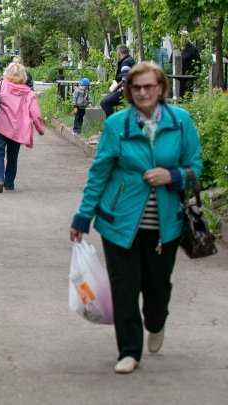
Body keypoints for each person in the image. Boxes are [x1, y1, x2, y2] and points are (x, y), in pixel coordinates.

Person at [69, 62, 204, 374]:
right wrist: (82, 217)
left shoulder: (180, 121)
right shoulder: (117, 125)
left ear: (161, 88)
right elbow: (99, 173)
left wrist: (171, 175)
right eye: (136, 87)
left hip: (164, 227)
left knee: (157, 290)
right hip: (118, 223)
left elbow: (195, 167)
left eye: (149, 86)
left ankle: (156, 323)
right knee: (124, 288)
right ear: (129, 91)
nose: (143, 92)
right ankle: (129, 351)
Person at [0, 62, 45, 192]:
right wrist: (40, 129)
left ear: (7, 72)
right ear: (23, 76)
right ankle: (9, 183)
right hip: (17, 129)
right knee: (13, 157)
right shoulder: (27, 92)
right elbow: (35, 113)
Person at [100, 45, 135, 118]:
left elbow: (126, 80)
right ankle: (113, 121)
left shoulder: (125, 63)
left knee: (106, 102)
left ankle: (112, 125)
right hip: (128, 89)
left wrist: (121, 89)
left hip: (127, 92)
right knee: (103, 102)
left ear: (119, 53)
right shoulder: (130, 60)